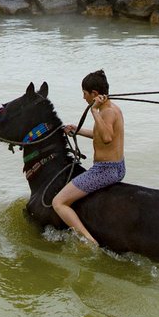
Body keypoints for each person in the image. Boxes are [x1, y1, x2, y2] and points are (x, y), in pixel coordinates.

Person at [52, 69, 125, 247]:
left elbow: (106, 139)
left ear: (94, 94)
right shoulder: (112, 108)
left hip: (105, 170)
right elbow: (100, 134)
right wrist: (76, 129)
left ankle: (89, 241)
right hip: (118, 167)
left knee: (58, 202)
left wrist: (94, 111)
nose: (83, 97)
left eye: (84, 94)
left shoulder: (106, 112)